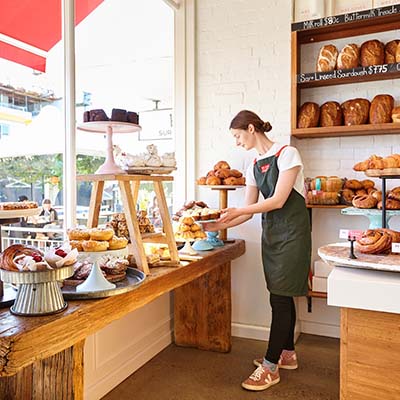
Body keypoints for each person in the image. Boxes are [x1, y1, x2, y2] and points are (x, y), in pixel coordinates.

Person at [203, 110, 311, 392]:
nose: (237, 142)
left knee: (280, 297)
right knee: (281, 295)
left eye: (238, 136)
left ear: (252, 129)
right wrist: (211, 224)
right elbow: (247, 213)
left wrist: (239, 209)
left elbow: (277, 200)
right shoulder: (254, 165)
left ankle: (270, 367)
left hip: (293, 235)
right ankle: (287, 354)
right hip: (273, 236)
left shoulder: (288, 154)